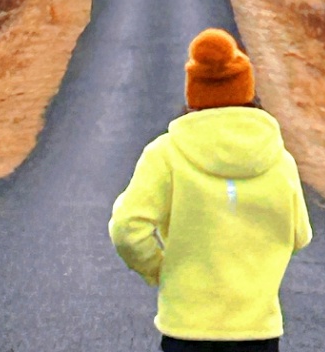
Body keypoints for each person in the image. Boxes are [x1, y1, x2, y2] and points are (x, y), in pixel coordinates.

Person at [109, 27, 312, 351]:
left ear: (194, 94)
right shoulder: (280, 160)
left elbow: (126, 228)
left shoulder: (165, 154)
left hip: (187, 329)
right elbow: (300, 235)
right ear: (247, 91)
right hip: (256, 332)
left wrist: (161, 270)